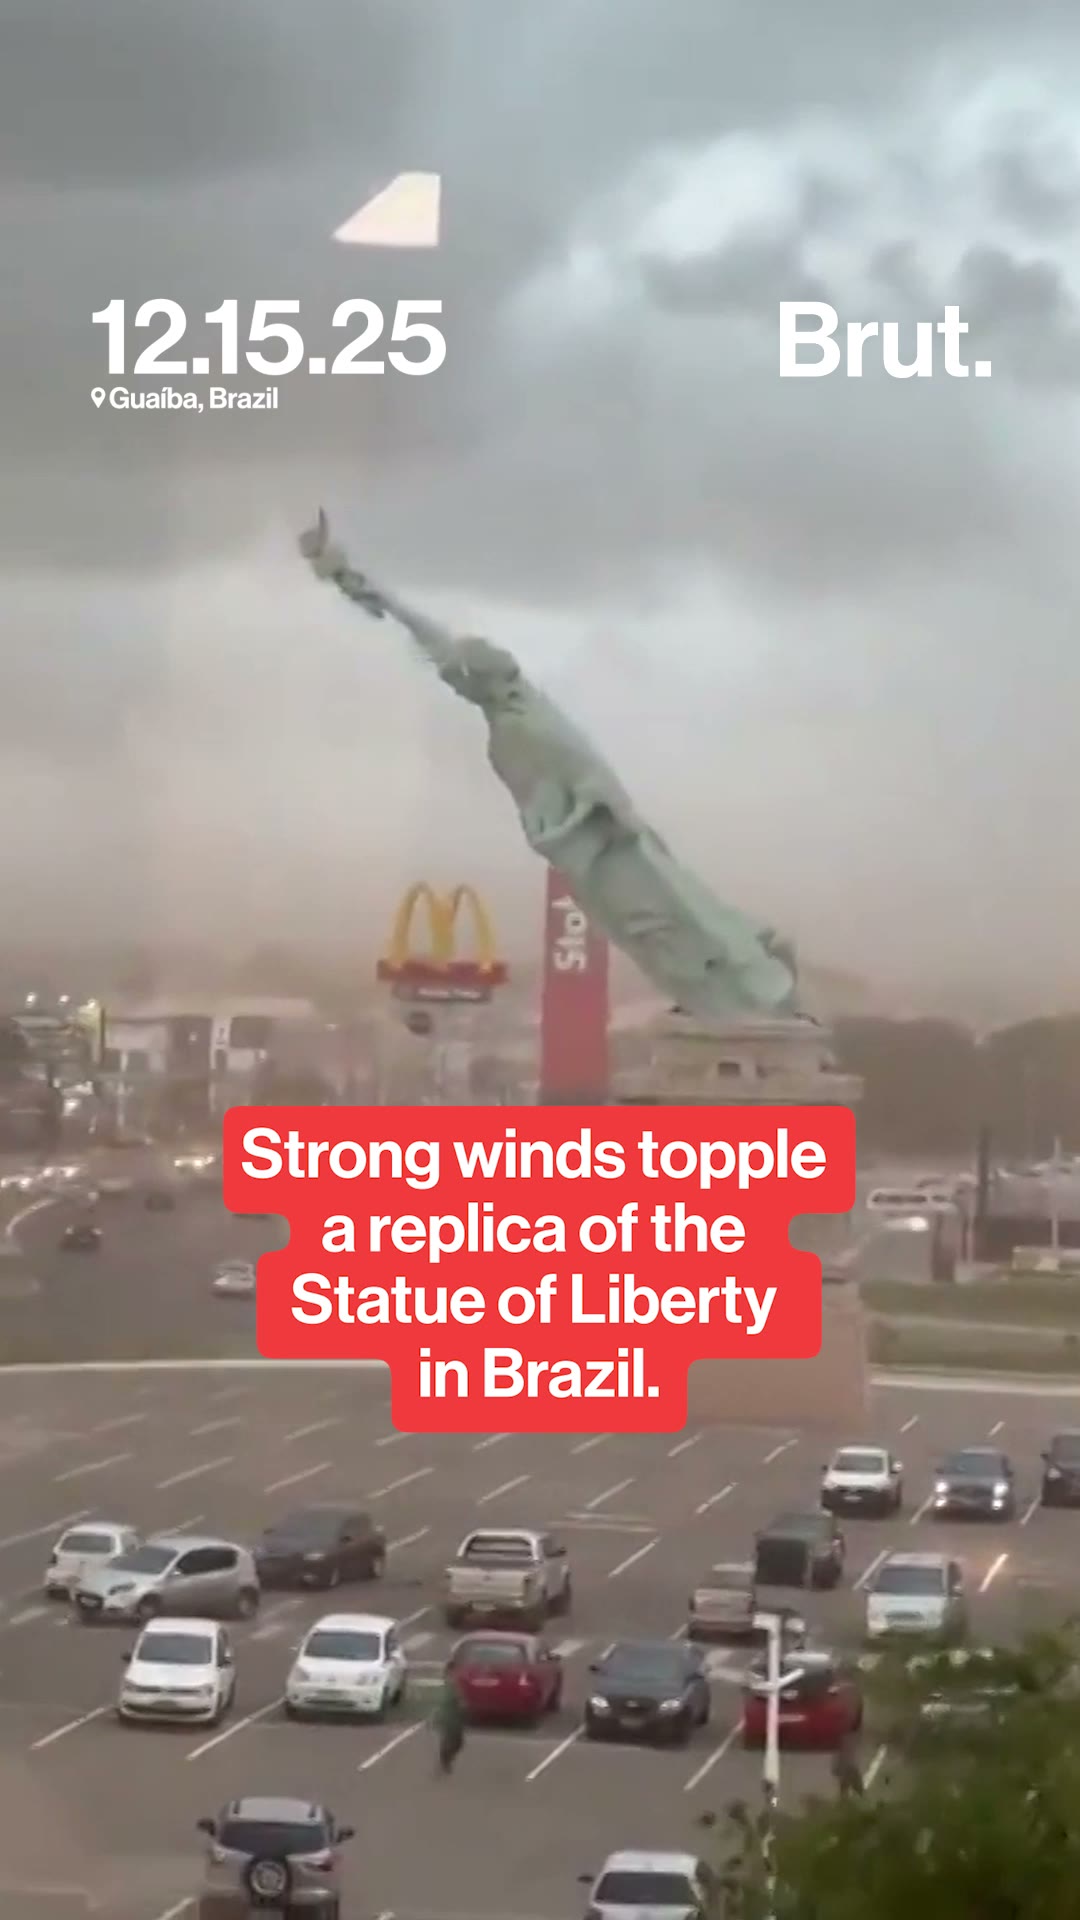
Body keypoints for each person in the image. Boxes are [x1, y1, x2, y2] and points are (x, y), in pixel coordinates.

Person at [432, 1672, 466, 1775]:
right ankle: (445, 1760)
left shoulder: (456, 1688)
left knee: (458, 1742)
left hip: (456, 1719)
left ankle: (446, 1759)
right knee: (449, 1740)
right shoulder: (446, 1691)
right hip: (447, 1719)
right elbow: (438, 1706)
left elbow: (461, 1703)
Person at [832, 1730, 864, 1798]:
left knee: (845, 1788)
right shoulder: (848, 1739)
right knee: (855, 1788)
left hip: (846, 1767)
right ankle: (860, 1798)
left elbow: (838, 1755)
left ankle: (845, 1800)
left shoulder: (843, 1739)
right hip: (849, 1767)